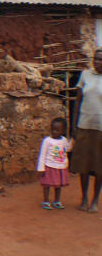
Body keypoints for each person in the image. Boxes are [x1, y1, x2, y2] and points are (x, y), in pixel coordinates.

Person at [70, 47, 102, 213]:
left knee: (99, 166)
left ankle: (95, 200)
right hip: (84, 126)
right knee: (83, 165)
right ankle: (84, 199)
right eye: (95, 58)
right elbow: (78, 101)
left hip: (100, 130)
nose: (97, 62)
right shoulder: (85, 75)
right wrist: (74, 126)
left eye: (100, 60)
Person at [37, 117, 72, 209]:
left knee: (58, 185)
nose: (54, 132)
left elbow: (67, 149)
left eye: (57, 130)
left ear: (63, 131)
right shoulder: (47, 141)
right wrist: (41, 168)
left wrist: (72, 141)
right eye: (52, 129)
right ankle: (46, 201)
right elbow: (42, 155)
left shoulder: (63, 140)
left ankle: (57, 201)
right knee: (47, 184)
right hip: (49, 166)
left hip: (60, 166)